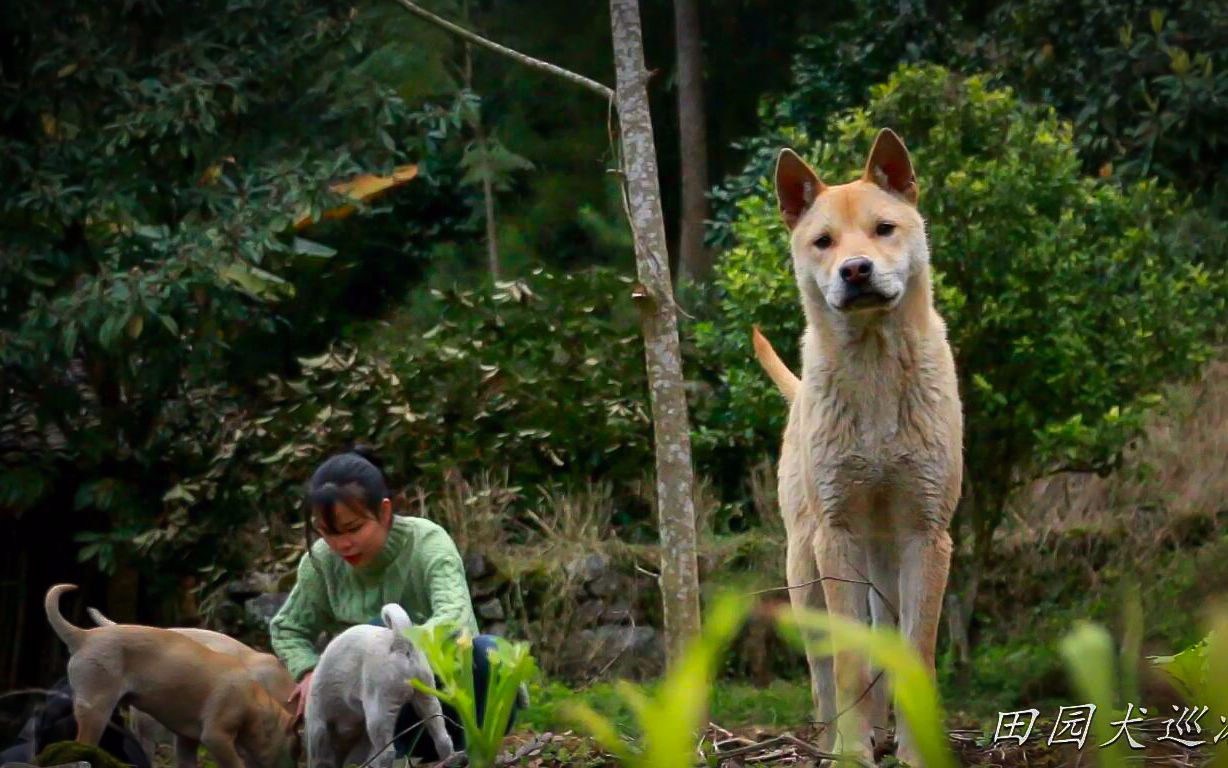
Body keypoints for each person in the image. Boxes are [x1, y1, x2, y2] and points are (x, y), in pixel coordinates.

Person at [269, 447, 512, 761]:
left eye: (353, 528)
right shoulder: (320, 563)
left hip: (448, 701)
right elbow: (288, 627)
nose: (342, 544)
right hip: (373, 715)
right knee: (370, 642)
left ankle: (465, 753)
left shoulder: (427, 543)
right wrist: (312, 670)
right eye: (327, 532)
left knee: (486, 650)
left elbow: (455, 616)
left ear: (384, 512)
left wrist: (401, 647)